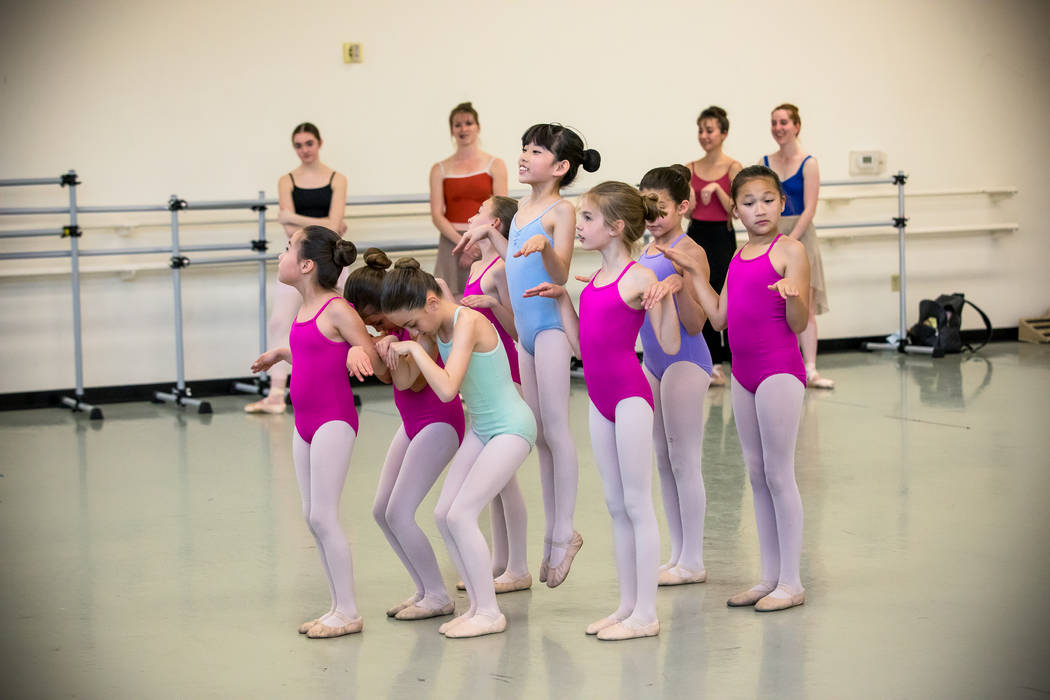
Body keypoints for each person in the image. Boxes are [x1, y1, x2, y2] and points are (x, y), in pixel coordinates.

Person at [524, 181, 680, 640]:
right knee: (615, 504)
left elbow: (669, 344)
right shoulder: (593, 281)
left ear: (615, 227)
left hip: (630, 397)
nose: (581, 226)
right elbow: (580, 348)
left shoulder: (640, 278)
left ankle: (646, 614)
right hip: (599, 399)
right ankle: (627, 605)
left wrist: (667, 296)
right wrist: (563, 299)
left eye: (588, 218)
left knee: (636, 503)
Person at [456, 123, 600, 588]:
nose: (524, 156)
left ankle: (564, 532)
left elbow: (559, 271)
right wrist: (491, 234)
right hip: (526, 334)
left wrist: (545, 247)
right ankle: (551, 534)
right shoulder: (520, 209)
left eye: (535, 151)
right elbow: (516, 259)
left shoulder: (563, 210)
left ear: (560, 167)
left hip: (551, 327)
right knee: (538, 435)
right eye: (524, 148)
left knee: (557, 430)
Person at [661, 165, 809, 612]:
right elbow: (719, 318)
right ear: (735, 212)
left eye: (767, 200)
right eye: (748, 203)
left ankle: (792, 582)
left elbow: (798, 324)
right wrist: (694, 272)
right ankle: (769, 577)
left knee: (779, 473)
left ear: (782, 203)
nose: (759, 210)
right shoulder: (739, 257)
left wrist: (794, 296)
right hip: (743, 374)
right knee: (756, 473)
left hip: (779, 370)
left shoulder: (791, 251)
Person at [378, 258, 536, 639]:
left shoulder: (468, 322)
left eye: (412, 323)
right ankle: (478, 606)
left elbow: (448, 388)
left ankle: (491, 613)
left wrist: (415, 349)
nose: (412, 331)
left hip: (511, 428)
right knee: (444, 514)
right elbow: (406, 380)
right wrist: (391, 347)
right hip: (482, 430)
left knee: (462, 514)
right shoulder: (435, 327)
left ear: (432, 302)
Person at [250, 226, 388, 637]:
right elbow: (318, 354)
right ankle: (335, 607)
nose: (281, 256)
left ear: (307, 265)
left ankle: (349, 612)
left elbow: (371, 356)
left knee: (325, 517)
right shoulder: (305, 307)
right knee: (313, 517)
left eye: (287, 249)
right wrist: (282, 353)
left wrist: (360, 351)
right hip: (305, 423)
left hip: (333, 420)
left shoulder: (337, 308)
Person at [342, 249, 464, 621]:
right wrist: (375, 344)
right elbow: (383, 374)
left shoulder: (417, 331)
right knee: (382, 511)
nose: (373, 326)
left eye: (374, 319)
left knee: (399, 512)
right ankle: (424, 588)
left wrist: (393, 347)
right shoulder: (392, 333)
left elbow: (409, 382)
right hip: (413, 424)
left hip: (439, 422)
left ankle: (439, 595)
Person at [638, 165, 713, 586]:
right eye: (646, 207)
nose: (652, 216)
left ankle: (694, 560)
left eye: (660, 208)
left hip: (686, 360)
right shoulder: (645, 250)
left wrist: (680, 284)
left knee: (684, 459)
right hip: (652, 362)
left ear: (683, 207)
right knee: (663, 460)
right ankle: (678, 554)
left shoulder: (691, 251)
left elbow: (697, 322)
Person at [247, 123, 348, 413]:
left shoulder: (337, 179)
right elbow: (295, 230)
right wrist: (323, 225)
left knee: (343, 319)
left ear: (319, 143)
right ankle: (276, 394)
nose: (304, 150)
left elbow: (333, 224)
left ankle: (333, 384)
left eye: (309, 143)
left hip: (330, 259)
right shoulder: (287, 180)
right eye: (299, 145)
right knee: (279, 321)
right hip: (296, 258)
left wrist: (292, 216)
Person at [458, 196, 531, 593]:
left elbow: (517, 327)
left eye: (480, 210)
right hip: (483, 377)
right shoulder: (475, 265)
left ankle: (517, 566)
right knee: (496, 483)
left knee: (506, 479)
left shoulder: (501, 268)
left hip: (507, 374)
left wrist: (490, 302)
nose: (472, 215)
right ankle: (500, 561)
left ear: (496, 224)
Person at [762, 103, 834, 388]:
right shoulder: (764, 162)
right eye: (774, 123)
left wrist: (790, 239)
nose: (778, 128)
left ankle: (811, 368)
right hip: (772, 235)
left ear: (796, 126)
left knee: (805, 304)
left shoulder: (809, 163)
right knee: (773, 304)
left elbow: (809, 208)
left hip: (801, 236)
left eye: (784, 122)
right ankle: (778, 364)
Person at [685, 106, 742, 387]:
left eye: (710, 130)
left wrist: (718, 190)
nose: (704, 136)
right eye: (701, 130)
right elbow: (686, 211)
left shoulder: (733, 167)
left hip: (721, 235)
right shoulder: (690, 168)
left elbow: (737, 210)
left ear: (723, 133)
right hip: (697, 233)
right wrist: (689, 204)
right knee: (701, 294)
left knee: (725, 295)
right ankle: (713, 364)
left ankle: (736, 360)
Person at [429, 102, 508, 297]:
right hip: (452, 241)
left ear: (478, 127)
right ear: (452, 130)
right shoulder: (439, 169)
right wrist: (463, 243)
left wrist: (477, 241)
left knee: (488, 295)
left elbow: (502, 209)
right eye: (457, 125)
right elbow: (437, 215)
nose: (463, 129)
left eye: (468, 123)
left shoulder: (495, 165)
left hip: (486, 239)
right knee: (450, 298)